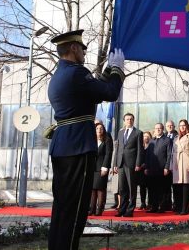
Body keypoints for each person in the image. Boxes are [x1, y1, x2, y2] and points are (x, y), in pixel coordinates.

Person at [47, 29, 124, 250]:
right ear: (73, 48)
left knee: (62, 208)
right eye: (82, 48)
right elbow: (109, 93)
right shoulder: (76, 73)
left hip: (64, 145)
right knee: (76, 210)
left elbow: (96, 91)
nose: (84, 52)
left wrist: (109, 69)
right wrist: (118, 68)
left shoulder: (61, 75)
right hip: (78, 146)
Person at [114, 113, 144, 217]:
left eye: (131, 119)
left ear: (133, 120)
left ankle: (130, 210)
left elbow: (140, 150)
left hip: (132, 164)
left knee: (132, 188)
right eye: (127, 119)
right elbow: (117, 149)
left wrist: (138, 164)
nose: (129, 121)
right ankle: (122, 209)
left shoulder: (138, 133)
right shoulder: (120, 132)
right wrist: (115, 164)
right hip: (121, 163)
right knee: (122, 188)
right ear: (124, 121)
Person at [145, 123, 172, 213]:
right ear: (154, 130)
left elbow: (169, 155)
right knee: (153, 189)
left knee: (162, 189)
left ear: (163, 129)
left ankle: (162, 206)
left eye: (160, 128)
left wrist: (167, 167)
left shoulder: (167, 140)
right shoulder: (152, 141)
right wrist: (146, 167)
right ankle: (154, 206)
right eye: (156, 128)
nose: (158, 130)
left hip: (162, 169)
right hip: (152, 169)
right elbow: (148, 155)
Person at [171, 119, 189, 215]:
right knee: (177, 187)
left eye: (184, 125)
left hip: (186, 162)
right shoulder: (176, 138)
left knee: (186, 187)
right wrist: (171, 166)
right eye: (181, 125)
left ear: (187, 126)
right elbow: (173, 153)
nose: (182, 127)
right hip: (176, 163)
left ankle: (185, 209)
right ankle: (178, 207)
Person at [90, 121, 113, 216]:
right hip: (92, 168)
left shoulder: (107, 139)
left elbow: (108, 154)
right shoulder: (92, 139)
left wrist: (105, 167)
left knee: (100, 189)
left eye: (101, 128)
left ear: (103, 130)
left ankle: (100, 210)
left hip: (102, 168)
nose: (99, 130)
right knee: (92, 189)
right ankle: (92, 210)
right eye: (97, 128)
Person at [161, 119, 178, 212]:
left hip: (175, 165)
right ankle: (167, 204)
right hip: (166, 165)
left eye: (171, 125)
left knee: (175, 187)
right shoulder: (164, 137)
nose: (169, 127)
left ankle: (176, 205)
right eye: (168, 126)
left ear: (174, 127)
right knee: (166, 187)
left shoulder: (177, 136)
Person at [138, 131, 152, 210]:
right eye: (144, 136)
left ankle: (150, 203)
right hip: (141, 170)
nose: (146, 138)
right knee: (142, 187)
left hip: (150, 169)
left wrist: (146, 165)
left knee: (150, 187)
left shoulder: (152, 146)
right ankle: (143, 203)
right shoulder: (140, 146)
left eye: (147, 136)